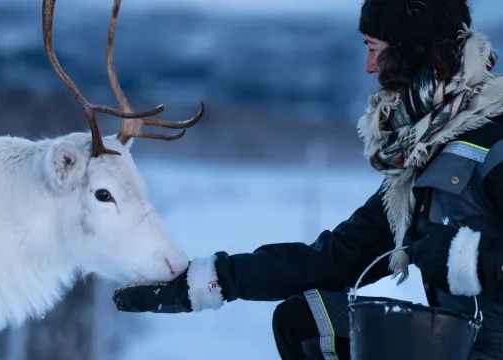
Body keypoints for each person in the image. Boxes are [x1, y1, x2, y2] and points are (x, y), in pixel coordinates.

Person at [112, 0, 503, 359]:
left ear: (412, 53)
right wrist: (209, 282)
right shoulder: (427, 154)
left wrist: (473, 260)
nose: (369, 67)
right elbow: (335, 257)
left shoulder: (493, 141)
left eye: (374, 48)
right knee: (303, 322)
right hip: (461, 344)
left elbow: (472, 259)